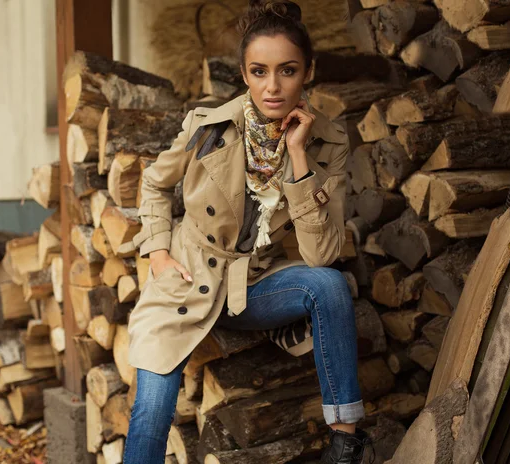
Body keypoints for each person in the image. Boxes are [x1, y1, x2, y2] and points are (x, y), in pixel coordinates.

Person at [122, 1, 375, 462]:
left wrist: (298, 158)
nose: (272, 86)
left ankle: (347, 444)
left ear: (308, 72)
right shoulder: (207, 126)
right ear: (243, 73)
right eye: (259, 71)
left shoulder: (329, 142)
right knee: (152, 405)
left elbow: (320, 254)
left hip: (253, 287)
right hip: (187, 281)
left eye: (287, 70)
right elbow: (154, 183)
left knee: (329, 285)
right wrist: (158, 252)